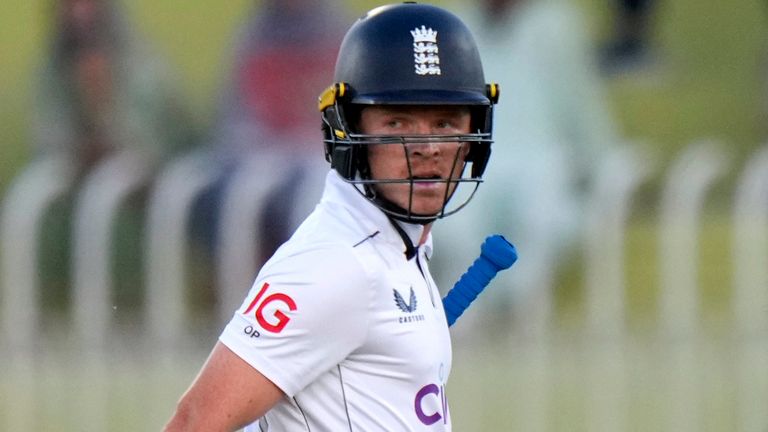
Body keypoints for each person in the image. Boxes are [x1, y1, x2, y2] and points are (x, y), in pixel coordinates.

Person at [165, 3, 500, 430]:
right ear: (347, 132)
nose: (427, 146)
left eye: (446, 122)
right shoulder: (335, 265)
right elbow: (193, 422)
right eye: (397, 122)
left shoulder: (395, 247)